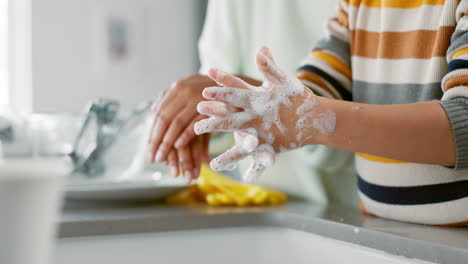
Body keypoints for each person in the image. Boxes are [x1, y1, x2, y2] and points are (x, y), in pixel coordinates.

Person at [195, 0, 468, 226]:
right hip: (381, 228)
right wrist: (271, 107)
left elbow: (463, 123)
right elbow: (316, 89)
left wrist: (314, 120)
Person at [148, 0, 358, 206]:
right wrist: (202, 115)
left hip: (355, 209)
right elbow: (217, 81)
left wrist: (285, 108)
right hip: (270, 204)